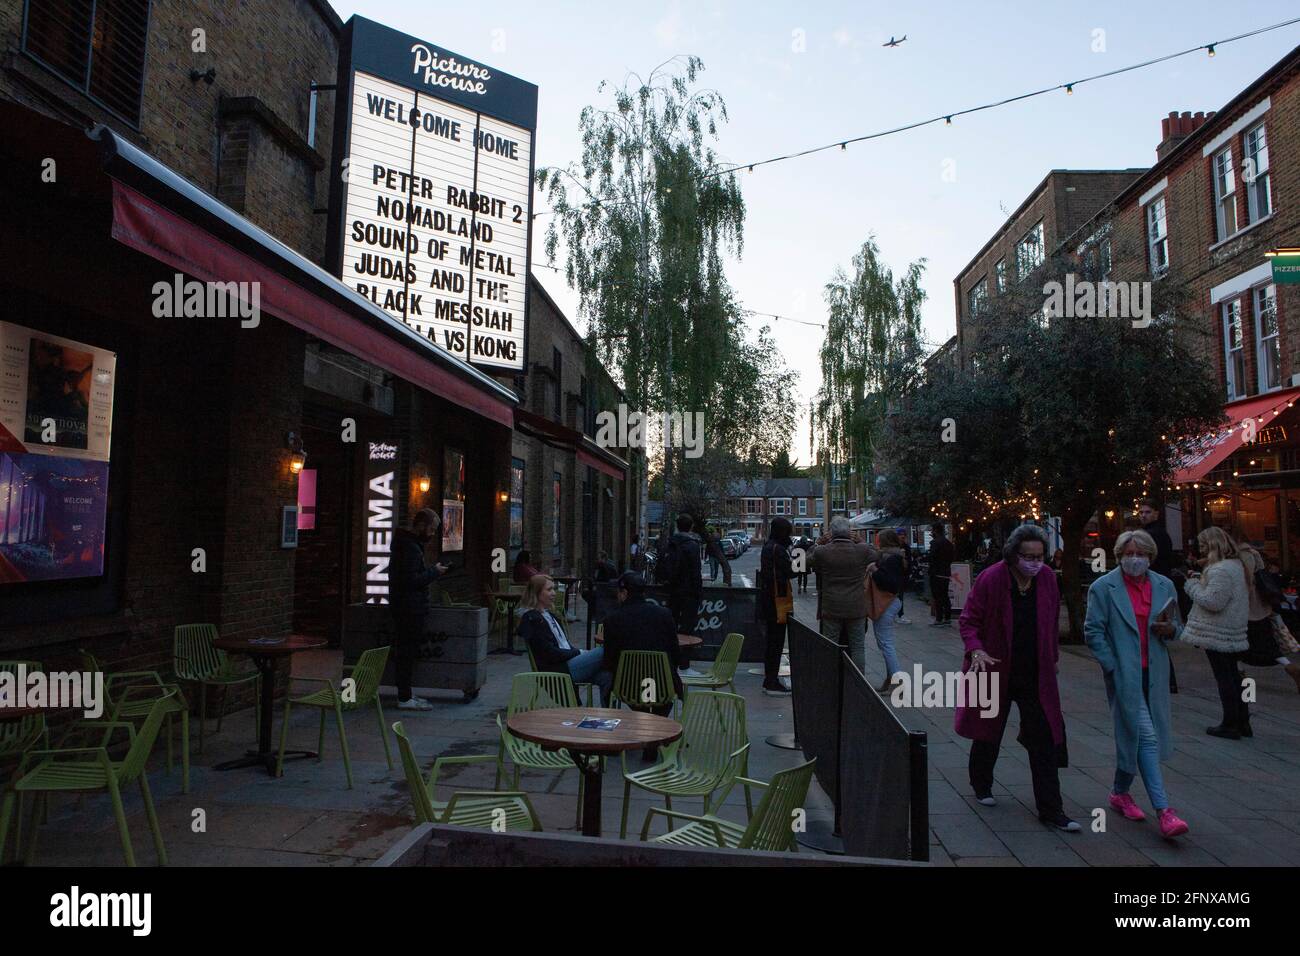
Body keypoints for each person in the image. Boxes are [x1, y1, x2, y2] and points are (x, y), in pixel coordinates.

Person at [956, 524, 1079, 833]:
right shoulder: (992, 578)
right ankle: (981, 782)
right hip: (994, 668)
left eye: (1039, 557)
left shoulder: (1048, 579)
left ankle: (1052, 809)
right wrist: (976, 650)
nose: (1034, 563)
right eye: (1027, 556)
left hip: (1034, 673)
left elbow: (1050, 622)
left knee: (1045, 740)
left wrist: (1052, 657)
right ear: (1013, 555)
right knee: (988, 730)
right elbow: (969, 620)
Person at [1084, 530, 1189, 839]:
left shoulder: (1164, 585)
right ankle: (1164, 811)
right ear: (1118, 556)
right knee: (1146, 735)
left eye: (1140, 554)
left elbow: (1179, 627)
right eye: (1128, 553)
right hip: (1125, 674)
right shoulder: (1104, 588)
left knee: (1133, 735)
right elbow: (1093, 630)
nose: (1135, 559)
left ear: (1150, 556)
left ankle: (1119, 792)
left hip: (1154, 674)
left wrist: (1169, 630)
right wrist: (1111, 665)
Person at [602, 571, 683, 756]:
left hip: (628, 686)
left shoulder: (613, 619)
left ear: (624, 593)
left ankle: (638, 730)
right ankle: (652, 732)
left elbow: (609, 660)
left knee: (621, 688)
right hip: (660, 684)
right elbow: (675, 653)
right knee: (654, 697)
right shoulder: (664, 615)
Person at [1179, 527, 1250, 739]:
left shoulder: (1221, 570)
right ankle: (1242, 720)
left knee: (1225, 677)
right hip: (1231, 629)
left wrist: (1191, 586)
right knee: (1234, 676)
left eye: (1202, 546)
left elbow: (1213, 601)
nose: (1200, 550)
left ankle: (1230, 723)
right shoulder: (1236, 566)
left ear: (1212, 545)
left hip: (1217, 630)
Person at [519, 574, 611, 704]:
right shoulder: (532, 619)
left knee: (606, 677)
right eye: (549, 589)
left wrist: (578, 653)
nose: (554, 593)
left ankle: (608, 717)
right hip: (557, 669)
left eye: (554, 589)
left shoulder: (549, 615)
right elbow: (550, 653)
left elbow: (564, 645)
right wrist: (578, 652)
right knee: (604, 650)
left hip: (567, 662)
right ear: (537, 593)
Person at [390, 508, 447, 711]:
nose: (432, 534)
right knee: (406, 652)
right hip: (409, 609)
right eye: (431, 529)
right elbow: (411, 580)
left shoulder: (408, 545)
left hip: (408, 607)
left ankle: (406, 693)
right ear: (421, 525)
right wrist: (434, 572)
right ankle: (404, 697)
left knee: (407, 652)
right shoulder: (410, 548)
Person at [810, 516, 877, 673]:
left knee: (830, 646)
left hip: (831, 607)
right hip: (856, 607)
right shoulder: (862, 550)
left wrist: (817, 542)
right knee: (858, 647)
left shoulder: (822, 551)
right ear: (850, 532)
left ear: (831, 533)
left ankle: (830, 679)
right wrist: (860, 540)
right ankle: (858, 683)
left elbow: (799, 563)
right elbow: (877, 555)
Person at [758, 517, 796, 695]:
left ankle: (770, 677)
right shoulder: (778, 549)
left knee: (771, 642)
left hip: (767, 599)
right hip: (777, 600)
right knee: (776, 641)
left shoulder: (768, 546)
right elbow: (794, 571)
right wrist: (802, 553)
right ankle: (771, 680)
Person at [867, 529, 908, 692]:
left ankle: (897, 680)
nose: (877, 542)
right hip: (893, 602)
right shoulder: (897, 556)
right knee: (884, 643)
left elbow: (888, 583)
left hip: (887, 602)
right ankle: (890, 678)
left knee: (886, 643)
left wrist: (874, 570)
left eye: (879, 540)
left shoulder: (891, 559)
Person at [659, 514, 704, 651]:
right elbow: (696, 571)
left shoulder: (670, 543)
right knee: (687, 628)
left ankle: (671, 658)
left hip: (672, 590)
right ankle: (684, 662)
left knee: (671, 625)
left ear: (677, 526)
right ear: (691, 527)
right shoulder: (693, 545)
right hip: (689, 592)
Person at [928, 523, 956, 627]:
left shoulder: (935, 543)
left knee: (937, 596)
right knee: (945, 595)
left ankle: (939, 618)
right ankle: (947, 617)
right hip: (946, 572)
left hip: (936, 573)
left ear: (935, 531)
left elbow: (932, 557)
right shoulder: (949, 543)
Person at [698, 519, 732, 586]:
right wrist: (705, 556)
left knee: (716, 568)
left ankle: (714, 578)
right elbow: (707, 549)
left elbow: (721, 549)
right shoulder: (710, 543)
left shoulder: (718, 542)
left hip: (717, 557)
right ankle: (712, 579)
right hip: (711, 556)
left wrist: (723, 555)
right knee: (712, 568)